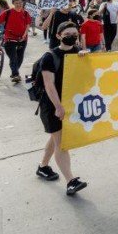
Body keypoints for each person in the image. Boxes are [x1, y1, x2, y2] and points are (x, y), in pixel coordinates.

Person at [35, 21, 88, 195]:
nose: (72, 36)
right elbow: (49, 85)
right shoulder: (50, 57)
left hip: (69, 103)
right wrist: (58, 107)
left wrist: (85, 59)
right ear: (58, 36)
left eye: (75, 33)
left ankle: (43, 167)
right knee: (61, 143)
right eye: (68, 34)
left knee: (55, 138)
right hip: (52, 105)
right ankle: (71, 181)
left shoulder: (77, 53)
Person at [0, 0, 32, 82]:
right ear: (13, 3)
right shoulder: (8, 12)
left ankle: (14, 72)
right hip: (9, 39)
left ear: (23, 3)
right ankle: (15, 75)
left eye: (20, 3)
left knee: (19, 58)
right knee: (13, 58)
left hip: (22, 39)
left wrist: (24, 35)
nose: (19, 4)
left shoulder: (25, 13)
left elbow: (28, 25)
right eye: (16, 3)